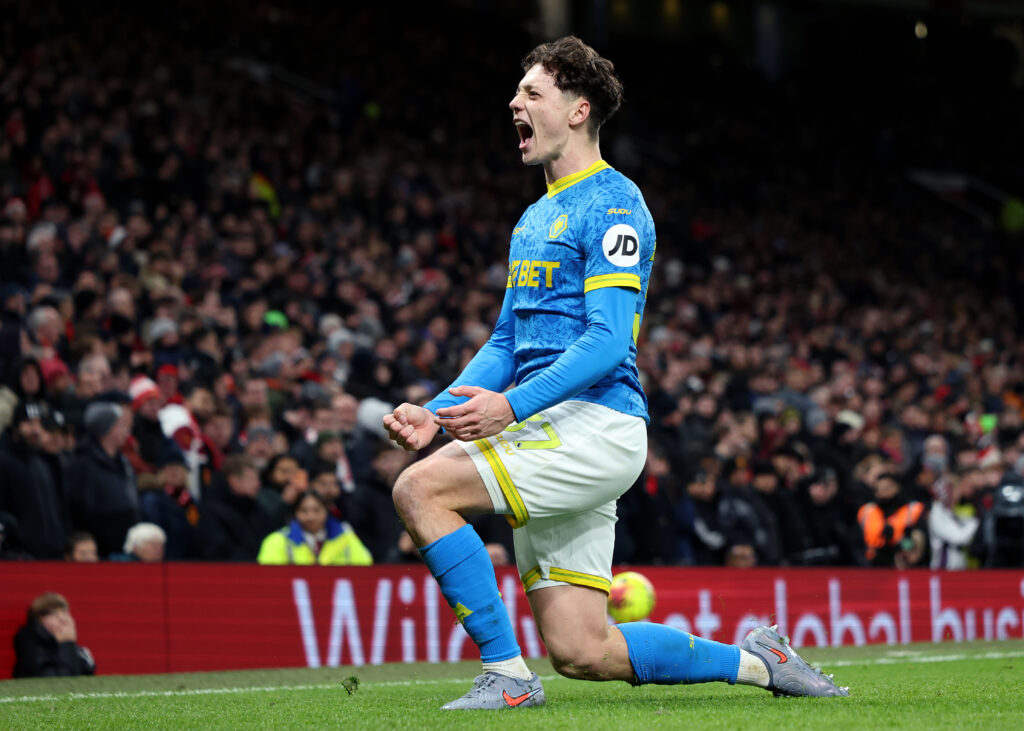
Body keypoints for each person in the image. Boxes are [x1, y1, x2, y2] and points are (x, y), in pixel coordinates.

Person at [383, 36, 847, 711]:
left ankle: (507, 678)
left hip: (597, 422)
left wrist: (509, 408)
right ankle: (760, 663)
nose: (514, 102)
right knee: (583, 649)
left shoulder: (614, 204)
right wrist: (435, 409)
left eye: (532, 92)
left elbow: (607, 342)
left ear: (578, 109)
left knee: (420, 490)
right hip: (550, 424)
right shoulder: (534, 217)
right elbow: (509, 339)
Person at [257, 490, 373, 565]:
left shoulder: (347, 538)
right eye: (304, 511)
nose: (311, 516)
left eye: (317, 510)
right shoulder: (276, 541)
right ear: (295, 513)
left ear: (326, 511)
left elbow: (366, 568)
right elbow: (268, 577)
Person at [13, 592, 96, 678]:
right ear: (40, 619)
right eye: (53, 614)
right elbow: (59, 680)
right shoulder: (30, 646)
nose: (62, 619)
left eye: (64, 612)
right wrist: (66, 643)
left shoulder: (78, 651)